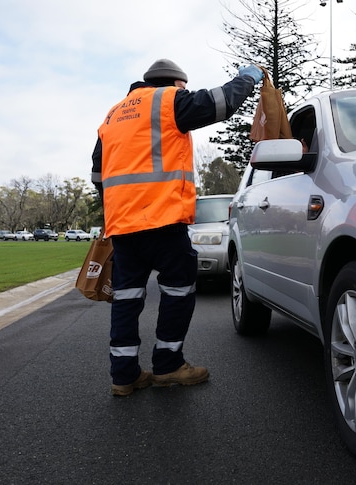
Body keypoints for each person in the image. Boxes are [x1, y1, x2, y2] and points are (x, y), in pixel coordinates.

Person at [91, 59, 264, 396]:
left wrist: (122, 203)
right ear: (174, 83)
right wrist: (249, 76)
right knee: (179, 288)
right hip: (162, 218)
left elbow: (98, 175)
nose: (185, 93)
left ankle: (123, 376)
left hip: (123, 226)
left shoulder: (113, 115)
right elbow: (221, 102)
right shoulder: (167, 101)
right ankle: (168, 365)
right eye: (183, 87)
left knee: (127, 298)